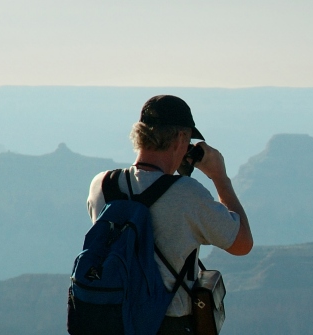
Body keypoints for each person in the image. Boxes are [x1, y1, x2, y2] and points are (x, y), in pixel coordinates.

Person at [86, 94, 253, 335]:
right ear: (181, 138)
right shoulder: (187, 194)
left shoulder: (101, 184)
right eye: (188, 141)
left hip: (111, 320)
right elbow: (242, 244)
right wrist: (220, 177)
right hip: (168, 324)